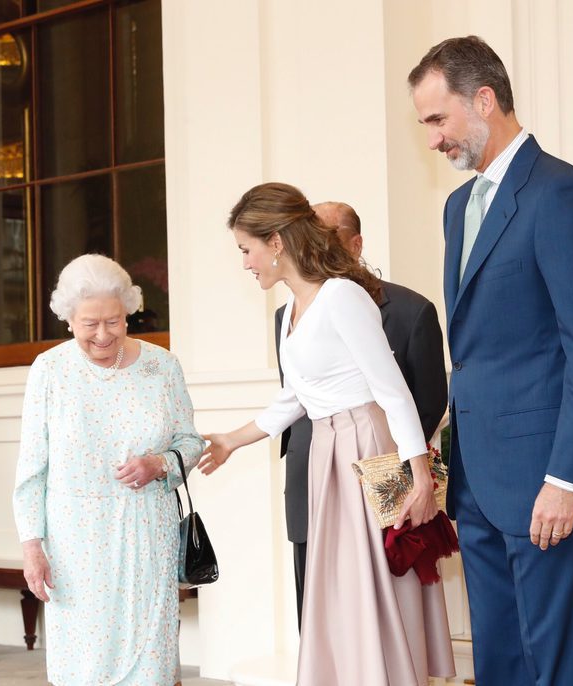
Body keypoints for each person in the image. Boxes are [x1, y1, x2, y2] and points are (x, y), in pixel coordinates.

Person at [409, 36, 573, 685]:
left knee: (560, 667)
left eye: (437, 119)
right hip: (479, 485)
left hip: (547, 484)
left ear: (484, 99)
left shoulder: (560, 193)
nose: (433, 140)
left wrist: (569, 478)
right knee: (500, 663)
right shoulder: (457, 208)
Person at [200, 183, 455, 686]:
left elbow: (393, 392)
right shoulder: (290, 312)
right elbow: (295, 399)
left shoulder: (342, 296)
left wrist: (420, 477)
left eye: (245, 249)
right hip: (327, 454)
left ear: (276, 242)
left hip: (366, 447)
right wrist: (233, 439)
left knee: (376, 584)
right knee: (341, 588)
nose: (245, 263)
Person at [13, 254, 202, 686]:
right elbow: (31, 469)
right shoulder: (50, 371)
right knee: (83, 664)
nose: (103, 335)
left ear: (129, 311)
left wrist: (159, 464)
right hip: (75, 541)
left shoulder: (162, 366)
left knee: (151, 661)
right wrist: (31, 548)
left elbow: (191, 443)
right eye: (90, 324)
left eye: (114, 322)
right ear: (68, 320)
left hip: (147, 534)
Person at [275, 201, 447, 627]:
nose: (317, 248)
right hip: (310, 477)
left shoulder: (411, 311)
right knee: (318, 620)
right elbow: (295, 394)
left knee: (386, 618)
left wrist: (399, 470)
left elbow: (425, 402)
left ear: (356, 244)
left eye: (329, 238)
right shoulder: (286, 313)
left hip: (381, 479)